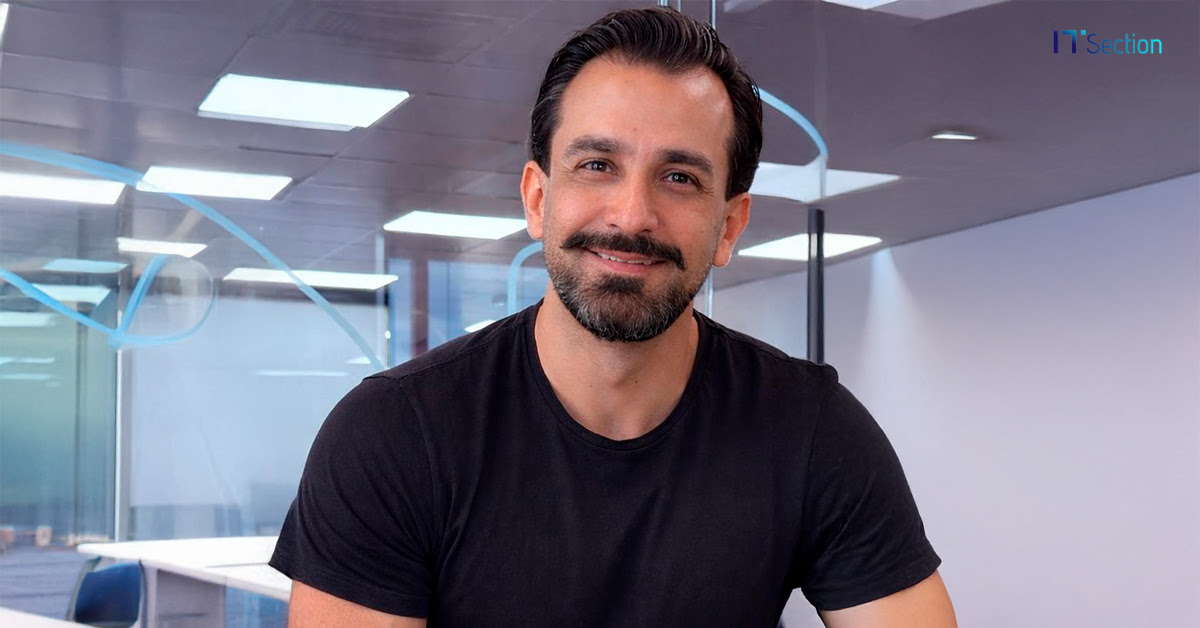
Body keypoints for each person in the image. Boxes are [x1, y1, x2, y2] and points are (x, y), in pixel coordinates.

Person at [271, 7, 957, 628]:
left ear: (729, 226)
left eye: (680, 177)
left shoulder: (810, 430)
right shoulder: (394, 435)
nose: (632, 216)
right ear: (538, 199)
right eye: (597, 164)